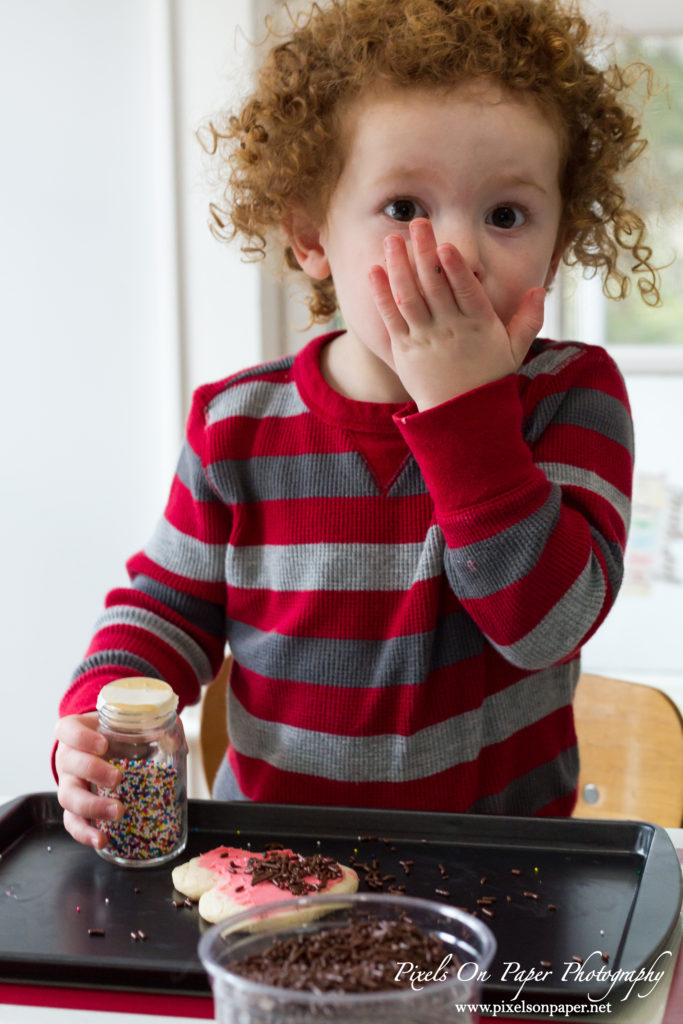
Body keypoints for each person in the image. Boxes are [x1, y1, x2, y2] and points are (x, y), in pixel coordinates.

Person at [55, 0, 660, 849]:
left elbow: (544, 626)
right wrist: (99, 720)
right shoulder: (237, 427)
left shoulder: (571, 398)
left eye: (506, 215)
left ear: (557, 246)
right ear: (311, 233)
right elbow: (164, 608)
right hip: (276, 871)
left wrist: (464, 412)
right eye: (405, 208)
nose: (457, 253)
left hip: (503, 875)